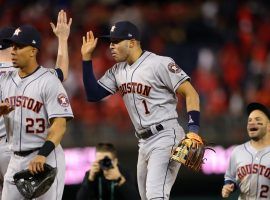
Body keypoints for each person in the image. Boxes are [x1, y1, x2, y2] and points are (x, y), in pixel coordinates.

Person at [81, 21, 201, 200]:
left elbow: (191, 93)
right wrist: (86, 59)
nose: (111, 47)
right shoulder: (117, 71)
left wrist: (193, 131)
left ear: (132, 42)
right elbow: (93, 94)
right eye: (110, 42)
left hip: (166, 135)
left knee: (155, 195)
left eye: (116, 42)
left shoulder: (159, 63)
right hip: (143, 142)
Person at [0, 9, 72, 199]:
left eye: (18, 47)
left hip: (44, 157)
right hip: (14, 158)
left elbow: (60, 124)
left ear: (33, 51)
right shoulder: (6, 79)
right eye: (12, 46)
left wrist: (43, 154)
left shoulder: (48, 80)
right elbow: (62, 72)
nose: (13, 51)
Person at [221, 102, 270, 199]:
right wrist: (229, 186)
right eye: (250, 120)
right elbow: (230, 177)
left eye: (257, 120)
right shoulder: (238, 151)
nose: (252, 123)